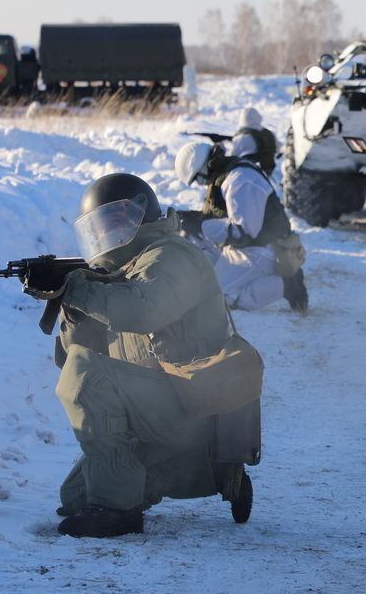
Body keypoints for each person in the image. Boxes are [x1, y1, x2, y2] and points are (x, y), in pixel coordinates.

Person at [52, 173, 257, 537]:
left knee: (86, 376)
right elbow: (71, 354)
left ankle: (118, 512)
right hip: (154, 407)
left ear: (139, 216)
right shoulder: (121, 271)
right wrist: (70, 304)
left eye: (114, 221)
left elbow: (144, 311)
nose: (105, 234)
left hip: (189, 402)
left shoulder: (172, 256)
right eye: (99, 226)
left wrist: (82, 290)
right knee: (76, 497)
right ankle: (216, 472)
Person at [175, 139, 308, 312]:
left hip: (264, 249)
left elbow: (243, 231)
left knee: (215, 298)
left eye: (199, 179)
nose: (203, 184)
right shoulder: (226, 175)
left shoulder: (240, 180)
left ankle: (286, 284)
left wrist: (201, 225)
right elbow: (224, 216)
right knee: (191, 238)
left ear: (205, 167)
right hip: (244, 245)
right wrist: (191, 219)